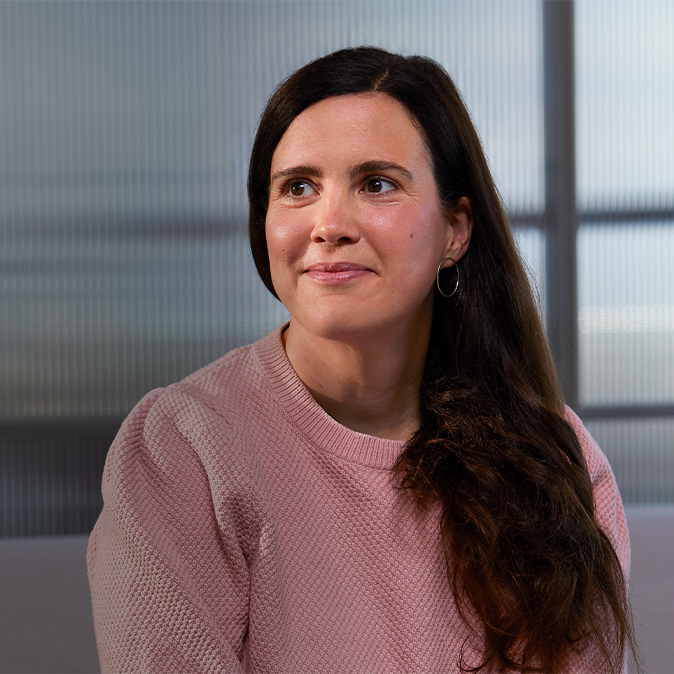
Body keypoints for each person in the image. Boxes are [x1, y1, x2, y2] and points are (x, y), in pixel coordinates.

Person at [88, 47, 637, 673]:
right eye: (298, 187)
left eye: (376, 184)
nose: (329, 224)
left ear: (456, 231)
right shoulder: (182, 450)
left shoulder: (557, 462)